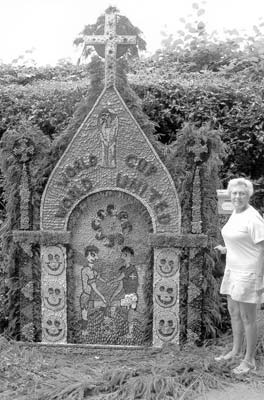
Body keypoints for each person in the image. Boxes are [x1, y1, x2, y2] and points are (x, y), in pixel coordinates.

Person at [214, 178, 264, 374]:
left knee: (247, 317)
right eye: (234, 193)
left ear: (248, 195)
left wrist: (260, 278)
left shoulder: (253, 218)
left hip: (248, 274)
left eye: (242, 193)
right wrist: (227, 249)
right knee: (234, 312)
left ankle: (249, 360)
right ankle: (235, 351)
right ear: (230, 194)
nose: (237, 196)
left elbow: (261, 247)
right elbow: (242, 241)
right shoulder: (235, 213)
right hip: (233, 270)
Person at [109, 246, 139, 337]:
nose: (126, 257)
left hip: (132, 296)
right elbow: (120, 287)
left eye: (128, 256)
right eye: (124, 255)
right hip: (128, 296)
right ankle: (125, 331)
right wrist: (112, 296)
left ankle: (113, 328)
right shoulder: (123, 269)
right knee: (128, 315)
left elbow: (121, 277)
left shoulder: (131, 268)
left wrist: (112, 281)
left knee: (117, 307)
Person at [80, 245, 106, 321]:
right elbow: (94, 287)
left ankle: (97, 321)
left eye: (95, 255)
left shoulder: (92, 270)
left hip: (89, 296)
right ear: (86, 255)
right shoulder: (88, 270)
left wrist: (106, 282)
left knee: (86, 314)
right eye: (92, 255)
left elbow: (98, 277)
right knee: (84, 315)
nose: (95, 258)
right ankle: (86, 330)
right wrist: (102, 297)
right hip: (86, 297)